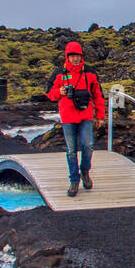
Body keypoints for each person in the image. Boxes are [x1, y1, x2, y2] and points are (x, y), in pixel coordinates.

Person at [46, 41, 106, 197]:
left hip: (85, 115)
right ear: (67, 56)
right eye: (72, 56)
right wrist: (59, 92)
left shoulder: (90, 72)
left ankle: (85, 170)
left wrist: (100, 115)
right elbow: (50, 94)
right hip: (67, 117)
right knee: (71, 151)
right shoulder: (59, 73)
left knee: (88, 146)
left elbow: (98, 95)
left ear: (81, 56)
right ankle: (74, 180)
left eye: (78, 56)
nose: (75, 59)